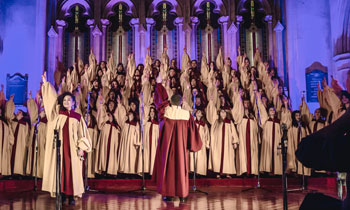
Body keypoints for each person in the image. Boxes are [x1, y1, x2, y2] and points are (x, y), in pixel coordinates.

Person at [41, 72, 92, 205]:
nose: (67, 102)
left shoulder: (77, 117)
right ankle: (62, 193)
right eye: (64, 100)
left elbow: (83, 134)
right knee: (61, 169)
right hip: (60, 148)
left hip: (73, 149)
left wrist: (82, 148)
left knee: (72, 171)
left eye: (69, 100)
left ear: (74, 102)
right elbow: (50, 102)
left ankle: (72, 195)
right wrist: (46, 85)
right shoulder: (58, 115)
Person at [152, 83, 202, 202]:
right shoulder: (186, 115)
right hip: (181, 148)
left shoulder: (166, 112)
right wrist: (191, 145)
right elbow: (192, 133)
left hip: (168, 149)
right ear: (181, 103)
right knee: (181, 168)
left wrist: (159, 84)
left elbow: (159, 104)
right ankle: (182, 195)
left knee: (169, 169)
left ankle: (169, 194)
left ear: (171, 102)